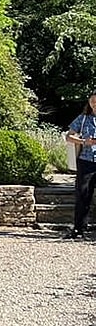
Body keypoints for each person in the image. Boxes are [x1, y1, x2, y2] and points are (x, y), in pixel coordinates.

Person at [63, 91, 96, 239]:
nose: (94, 104)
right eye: (92, 102)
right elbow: (69, 136)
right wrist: (84, 142)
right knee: (83, 195)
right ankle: (78, 229)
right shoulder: (83, 119)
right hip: (86, 161)